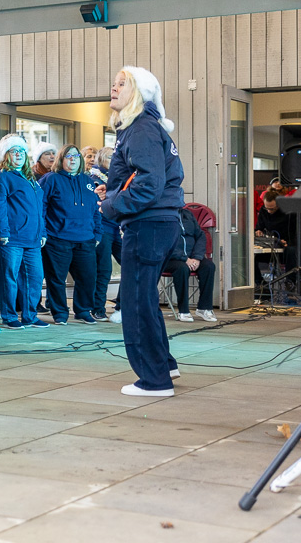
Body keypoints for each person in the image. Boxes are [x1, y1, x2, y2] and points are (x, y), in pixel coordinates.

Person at [97, 65, 186, 398]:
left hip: (147, 224)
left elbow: (149, 183)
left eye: (123, 83)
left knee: (135, 301)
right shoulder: (142, 128)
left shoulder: (141, 129)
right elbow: (143, 179)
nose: (114, 87)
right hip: (156, 222)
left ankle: (153, 379)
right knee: (145, 298)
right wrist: (116, 194)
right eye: (115, 81)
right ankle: (163, 363)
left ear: (139, 93)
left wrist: (112, 205)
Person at [39, 144, 100, 325]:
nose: (72, 159)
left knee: (88, 277)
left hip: (86, 238)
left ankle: (82, 310)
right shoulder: (51, 179)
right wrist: (43, 232)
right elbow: (40, 207)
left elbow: (96, 209)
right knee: (57, 279)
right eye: (68, 156)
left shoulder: (87, 180)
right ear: (61, 160)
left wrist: (97, 233)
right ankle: (60, 313)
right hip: (58, 238)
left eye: (75, 156)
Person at [0, 134, 48, 330]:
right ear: (6, 155)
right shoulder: (2, 177)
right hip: (11, 238)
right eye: (14, 151)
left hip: (32, 238)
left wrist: (42, 232)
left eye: (22, 151)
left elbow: (39, 209)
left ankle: (30, 315)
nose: (19, 155)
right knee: (9, 277)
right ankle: (8, 316)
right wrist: (3, 231)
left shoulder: (30, 177)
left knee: (34, 277)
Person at [164, 206, 217, 323]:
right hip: (170, 259)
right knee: (182, 268)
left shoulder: (187, 214)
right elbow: (164, 242)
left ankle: (204, 308)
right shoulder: (163, 216)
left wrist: (197, 258)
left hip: (192, 257)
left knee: (209, 266)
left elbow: (200, 236)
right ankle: (183, 310)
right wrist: (184, 258)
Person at [88, 146, 119, 322]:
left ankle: (122, 305)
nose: (114, 160)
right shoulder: (93, 179)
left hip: (118, 226)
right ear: (101, 160)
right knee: (104, 269)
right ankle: (97, 307)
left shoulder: (119, 178)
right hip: (103, 226)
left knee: (132, 263)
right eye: (109, 157)